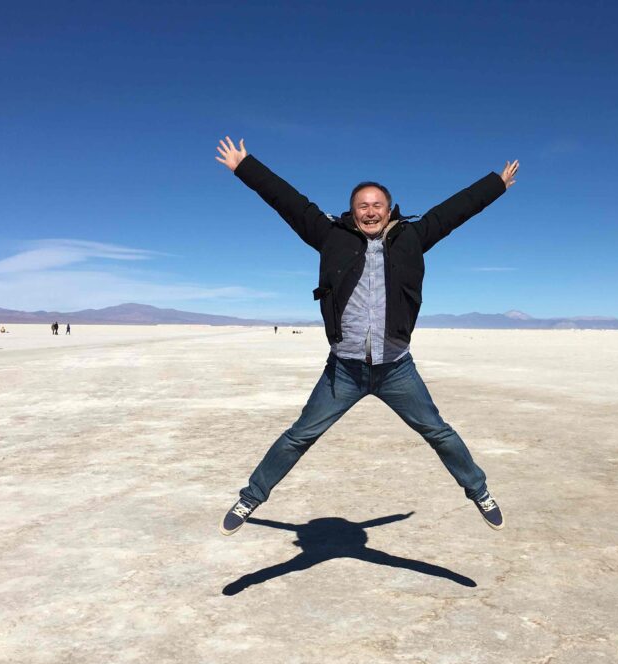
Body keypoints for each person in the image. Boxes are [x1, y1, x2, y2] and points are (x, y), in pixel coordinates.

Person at [215, 136, 518, 535]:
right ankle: (251, 498)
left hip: (396, 368)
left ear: (390, 210)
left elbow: (454, 211)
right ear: (352, 212)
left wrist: (495, 184)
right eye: (363, 206)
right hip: (344, 371)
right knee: (299, 436)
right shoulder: (330, 236)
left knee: (438, 431)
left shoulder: (413, 237)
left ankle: (478, 490)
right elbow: (288, 201)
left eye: (377, 205)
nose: (370, 211)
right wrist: (245, 167)